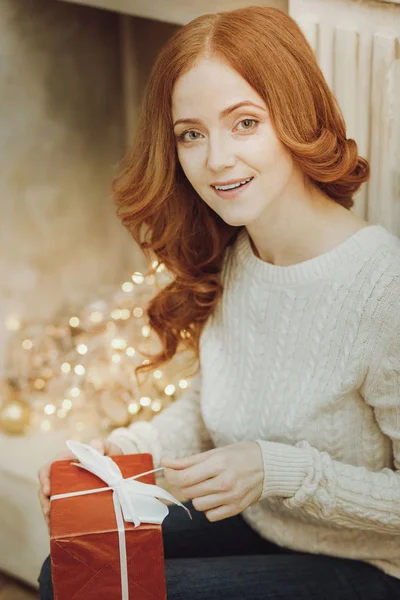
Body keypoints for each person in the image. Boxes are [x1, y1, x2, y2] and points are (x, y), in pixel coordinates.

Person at [37, 5, 400, 599]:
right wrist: (124, 454)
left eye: (245, 123)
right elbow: (214, 403)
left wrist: (276, 468)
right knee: (73, 575)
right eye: (192, 134)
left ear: (295, 117)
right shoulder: (240, 253)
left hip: (373, 564)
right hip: (269, 524)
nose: (217, 160)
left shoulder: (382, 287)